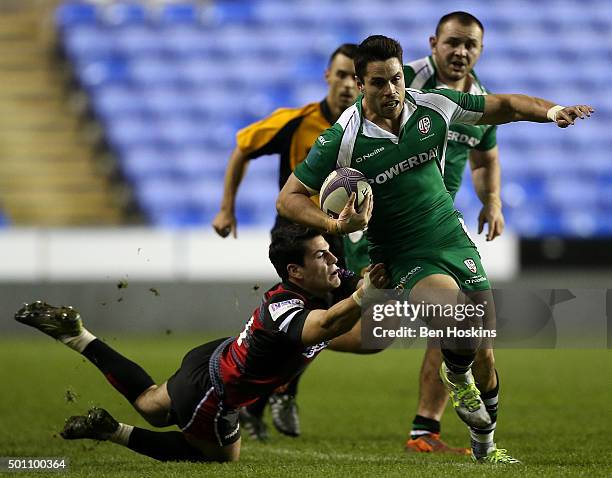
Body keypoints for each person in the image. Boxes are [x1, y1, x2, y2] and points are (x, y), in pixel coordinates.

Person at [277, 35, 592, 463]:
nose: (390, 92)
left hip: (450, 236)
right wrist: (335, 223)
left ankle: (486, 445)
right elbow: (289, 198)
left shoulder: (433, 105)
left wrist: (553, 111)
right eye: (378, 83)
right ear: (360, 82)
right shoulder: (343, 140)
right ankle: (454, 375)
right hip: (403, 254)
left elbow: (504, 106)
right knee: (456, 321)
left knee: (483, 346)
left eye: (395, 80)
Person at [14, 225, 387, 463]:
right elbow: (326, 325)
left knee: (152, 406)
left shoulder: (326, 279)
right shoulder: (284, 306)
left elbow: (358, 288)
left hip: (212, 358)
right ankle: (112, 428)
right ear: (295, 271)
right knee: (220, 456)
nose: (334, 259)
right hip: (217, 390)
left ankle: (78, 336)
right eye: (322, 254)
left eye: (329, 251)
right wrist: (364, 297)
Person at [211, 43, 359, 439]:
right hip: (296, 237)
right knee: (308, 320)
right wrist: (227, 208)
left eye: (355, 77)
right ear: (327, 76)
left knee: (325, 321)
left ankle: (263, 398)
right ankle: (264, 394)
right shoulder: (297, 122)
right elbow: (243, 147)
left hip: (338, 237)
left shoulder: (369, 131)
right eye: (341, 74)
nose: (347, 84)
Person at [400, 11, 503, 455]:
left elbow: (485, 160)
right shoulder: (401, 82)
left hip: (439, 226)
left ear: (480, 50)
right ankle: (277, 356)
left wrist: (492, 201)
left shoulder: (480, 100)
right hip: (384, 222)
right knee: (349, 333)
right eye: (453, 42)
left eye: (471, 45)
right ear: (433, 43)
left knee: (465, 326)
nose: (461, 52)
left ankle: (426, 429)